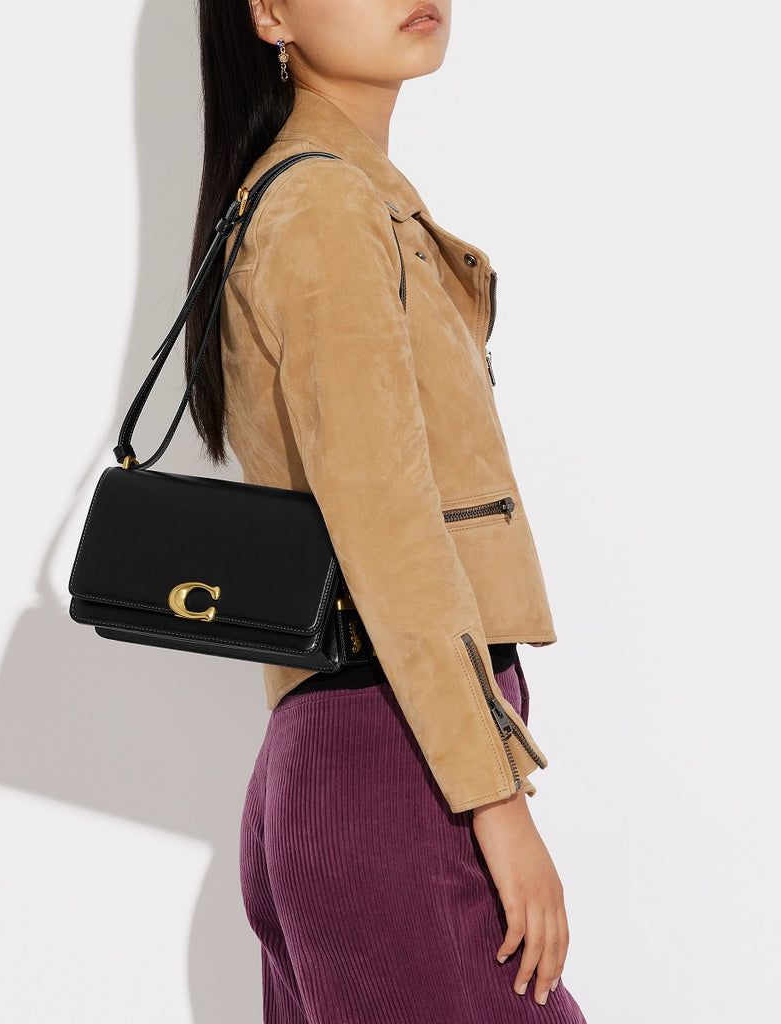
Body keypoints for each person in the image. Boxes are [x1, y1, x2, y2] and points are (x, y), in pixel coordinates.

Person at [183, 2, 587, 1021]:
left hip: (357, 759)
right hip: (393, 768)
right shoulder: (325, 208)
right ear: (269, 13)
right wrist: (496, 801)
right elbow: (389, 534)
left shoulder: (334, 197)